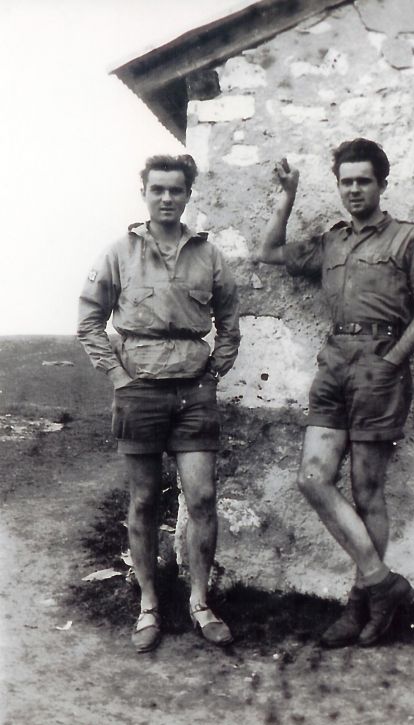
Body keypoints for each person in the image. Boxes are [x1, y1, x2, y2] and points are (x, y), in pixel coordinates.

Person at [260, 139, 414, 648]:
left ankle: (360, 604)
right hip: (334, 364)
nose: (354, 189)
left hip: (380, 366)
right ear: (338, 186)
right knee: (313, 478)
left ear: (381, 184)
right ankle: (383, 584)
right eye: (346, 181)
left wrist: (391, 362)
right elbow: (269, 251)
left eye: (363, 180)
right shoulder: (331, 242)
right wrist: (287, 197)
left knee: (367, 492)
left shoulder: (410, 238)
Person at [78, 154, 240, 653]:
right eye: (158, 190)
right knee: (145, 500)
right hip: (139, 391)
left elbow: (230, 322)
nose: (167, 198)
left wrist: (213, 372)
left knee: (202, 498)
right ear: (144, 193)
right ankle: (149, 603)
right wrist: (119, 377)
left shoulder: (208, 256)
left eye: (176, 190)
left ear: (188, 194)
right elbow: (89, 321)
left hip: (193, 393)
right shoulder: (118, 252)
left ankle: (198, 601)